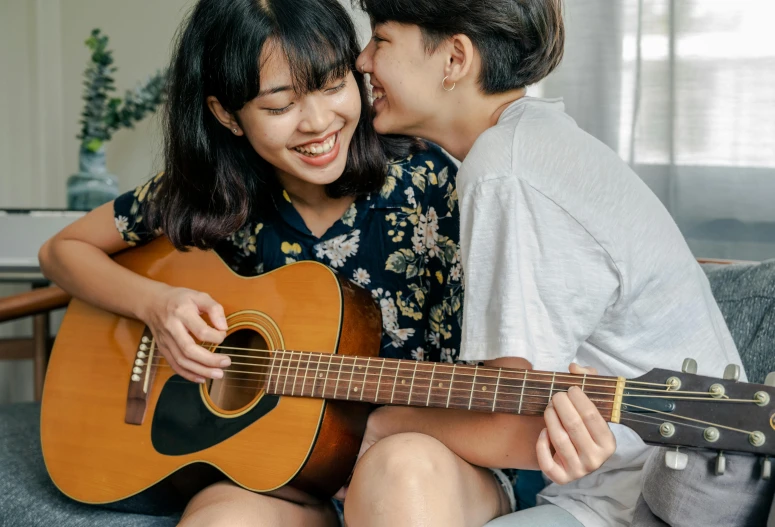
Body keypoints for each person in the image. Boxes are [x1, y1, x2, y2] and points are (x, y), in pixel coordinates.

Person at [38, 0, 613, 526]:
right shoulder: (209, 192)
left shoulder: (440, 185)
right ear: (228, 114)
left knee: (400, 473)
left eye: (334, 86)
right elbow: (62, 251)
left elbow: (515, 367)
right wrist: (158, 305)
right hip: (281, 482)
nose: (317, 122)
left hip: (428, 464)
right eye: (281, 105)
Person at [353, 0, 745, 526]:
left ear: (454, 59)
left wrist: (381, 423)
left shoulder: (505, 171)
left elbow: (513, 424)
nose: (362, 61)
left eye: (380, 39)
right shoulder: (529, 142)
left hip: (645, 500)